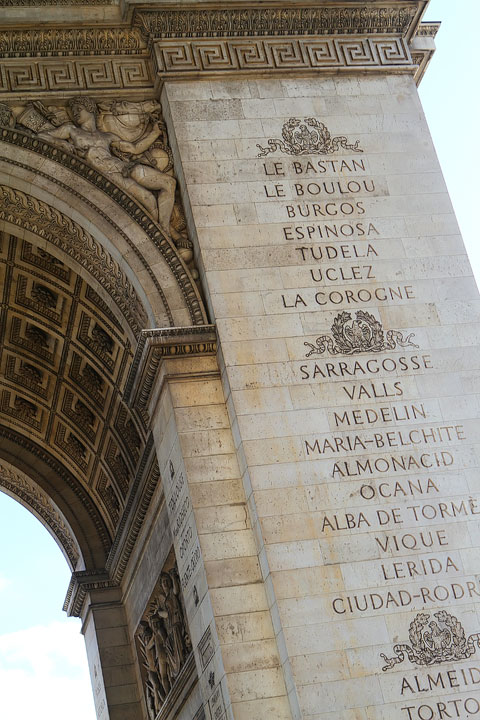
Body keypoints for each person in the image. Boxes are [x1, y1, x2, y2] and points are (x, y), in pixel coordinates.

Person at [38, 96, 176, 233]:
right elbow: (42, 136)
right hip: (108, 175)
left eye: (78, 109)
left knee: (169, 182)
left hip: (123, 167)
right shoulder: (71, 130)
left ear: (90, 109)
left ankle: (165, 230)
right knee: (149, 199)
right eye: (73, 110)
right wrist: (61, 143)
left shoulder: (107, 136)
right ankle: (163, 235)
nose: (75, 112)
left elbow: (135, 149)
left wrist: (155, 132)